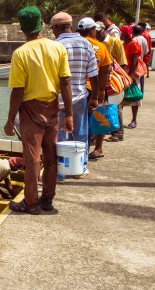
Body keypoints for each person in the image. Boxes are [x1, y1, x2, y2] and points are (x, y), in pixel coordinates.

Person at [5, 6, 73, 214]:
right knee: (50, 153)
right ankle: (47, 199)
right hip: (53, 106)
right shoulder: (57, 48)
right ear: (42, 23)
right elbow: (65, 82)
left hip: (31, 110)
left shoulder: (21, 54)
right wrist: (69, 113)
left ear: (21, 28)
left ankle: (31, 202)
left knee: (33, 157)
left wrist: (9, 120)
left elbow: (18, 90)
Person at [51, 11, 99, 179]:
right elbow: (93, 74)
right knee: (80, 133)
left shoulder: (55, 46)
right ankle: (81, 167)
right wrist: (95, 96)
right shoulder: (86, 44)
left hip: (58, 98)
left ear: (56, 28)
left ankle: (61, 172)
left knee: (58, 135)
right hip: (80, 95)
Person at [77, 17, 112, 160]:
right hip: (95, 88)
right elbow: (105, 70)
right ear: (92, 31)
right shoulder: (100, 47)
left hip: (77, 89)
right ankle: (98, 148)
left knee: (79, 122)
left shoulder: (73, 45)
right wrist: (101, 91)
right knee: (99, 118)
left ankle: (79, 150)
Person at [95, 21, 126, 142]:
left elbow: (122, 62)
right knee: (101, 106)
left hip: (112, 78)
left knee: (115, 104)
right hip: (100, 78)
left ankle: (118, 133)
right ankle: (102, 131)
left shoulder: (114, 41)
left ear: (103, 30)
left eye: (98, 31)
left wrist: (118, 80)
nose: (96, 34)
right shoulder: (96, 44)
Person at [120, 25, 143, 129]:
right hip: (124, 71)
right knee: (121, 97)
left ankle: (134, 120)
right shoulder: (123, 44)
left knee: (134, 97)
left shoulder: (133, 43)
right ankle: (119, 121)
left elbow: (134, 60)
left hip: (131, 72)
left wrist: (129, 75)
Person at [131, 24, 148, 93]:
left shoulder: (133, 40)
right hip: (141, 63)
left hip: (133, 63)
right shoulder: (144, 39)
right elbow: (146, 51)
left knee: (133, 80)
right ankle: (140, 93)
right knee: (141, 79)